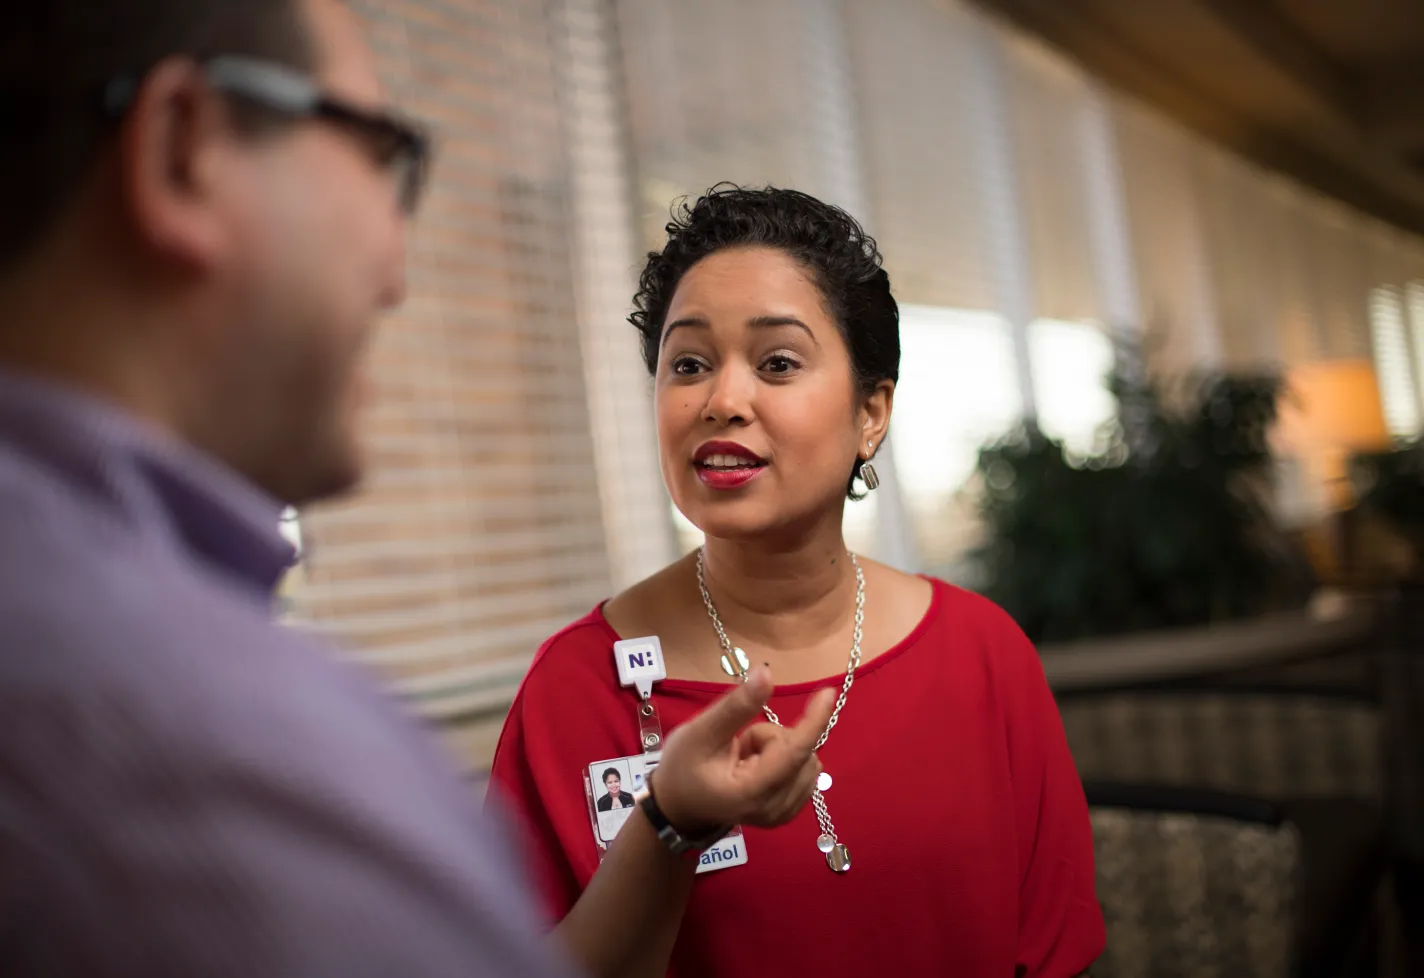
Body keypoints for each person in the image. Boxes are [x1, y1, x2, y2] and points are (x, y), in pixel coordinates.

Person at [0, 5, 828, 975]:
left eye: (777, 362)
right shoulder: (241, 771)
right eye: (382, 154)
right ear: (188, 150)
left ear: (873, 408)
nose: (398, 269)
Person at [489, 185, 1107, 978]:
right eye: (688, 364)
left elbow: (1056, 956)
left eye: (777, 362)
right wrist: (668, 826)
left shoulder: (984, 656)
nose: (722, 400)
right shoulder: (575, 690)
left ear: (870, 413)